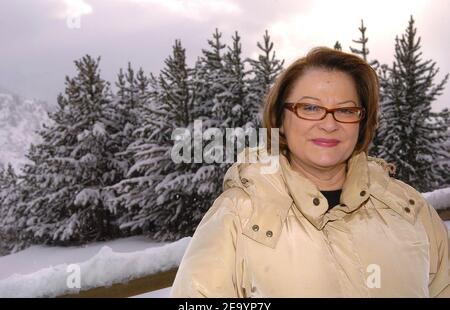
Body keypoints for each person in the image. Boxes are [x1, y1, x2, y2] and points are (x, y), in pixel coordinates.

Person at [170, 47, 450, 297]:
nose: (329, 124)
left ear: (361, 121)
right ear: (280, 117)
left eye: (346, 110)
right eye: (311, 107)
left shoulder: (408, 208)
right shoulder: (238, 216)